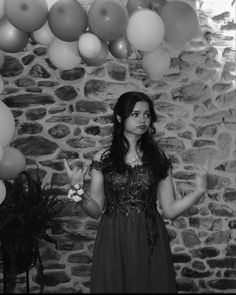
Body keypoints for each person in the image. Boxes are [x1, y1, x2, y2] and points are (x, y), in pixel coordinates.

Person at [64, 91, 208, 293]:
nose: (143, 120)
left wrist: (199, 191)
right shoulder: (103, 158)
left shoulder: (158, 157)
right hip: (114, 236)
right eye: (135, 114)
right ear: (120, 117)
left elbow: (170, 210)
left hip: (149, 235)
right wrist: (76, 190)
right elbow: (96, 210)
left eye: (147, 115)